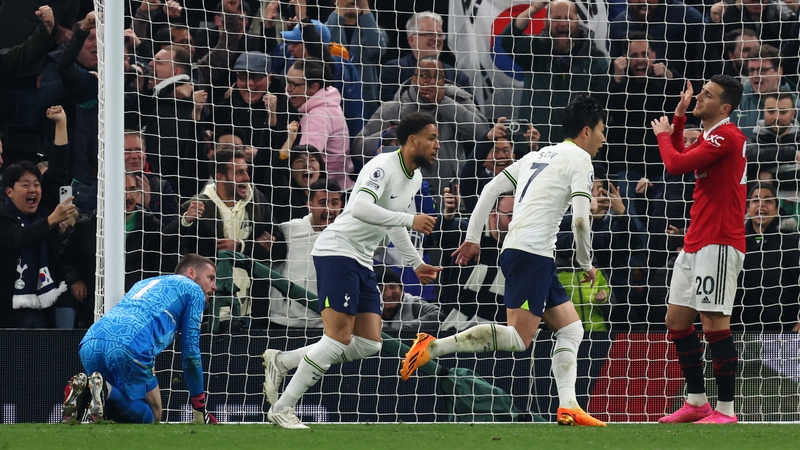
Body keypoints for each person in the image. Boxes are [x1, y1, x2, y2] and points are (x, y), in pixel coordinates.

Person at [401, 94, 608, 427]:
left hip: (527, 252)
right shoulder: (581, 160)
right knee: (519, 338)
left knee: (571, 329)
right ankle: (432, 347)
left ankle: (569, 405)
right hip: (532, 254)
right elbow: (581, 221)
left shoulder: (537, 155)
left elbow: (488, 190)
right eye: (602, 130)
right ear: (586, 131)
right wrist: (586, 264)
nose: (603, 137)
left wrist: (471, 238)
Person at [262, 112, 442, 429]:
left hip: (361, 258)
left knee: (369, 343)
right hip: (337, 250)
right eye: (431, 138)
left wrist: (417, 263)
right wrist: (409, 220)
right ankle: (283, 407)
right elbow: (359, 207)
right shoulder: (382, 166)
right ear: (412, 141)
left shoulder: (413, 179)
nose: (437, 145)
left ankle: (284, 361)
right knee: (337, 338)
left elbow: (391, 223)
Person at [650, 74, 747, 424]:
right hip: (696, 241)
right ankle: (696, 402)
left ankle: (726, 410)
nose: (698, 99)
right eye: (700, 93)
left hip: (719, 242)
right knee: (677, 321)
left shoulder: (727, 135)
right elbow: (680, 157)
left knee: (714, 325)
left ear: (724, 107)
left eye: (707, 95)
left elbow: (674, 163)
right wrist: (678, 118)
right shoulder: (710, 135)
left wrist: (663, 134)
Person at [62, 254, 219, 424]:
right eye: (210, 278)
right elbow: (191, 354)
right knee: (153, 414)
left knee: (113, 403)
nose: (214, 287)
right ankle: (105, 390)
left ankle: (87, 388)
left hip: (91, 341)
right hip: (130, 343)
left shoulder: (143, 283)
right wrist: (199, 408)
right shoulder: (193, 290)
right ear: (191, 273)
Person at [734, 184, 800, 333]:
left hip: (783, 331)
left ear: (777, 210)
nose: (761, 204)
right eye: (755, 200)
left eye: (768, 200)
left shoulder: (792, 241)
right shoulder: (735, 242)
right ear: (747, 210)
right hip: (738, 328)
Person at [376, 266, 444, 334]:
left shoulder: (412, 303)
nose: (388, 294)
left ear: (401, 289)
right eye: (381, 289)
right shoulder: (368, 309)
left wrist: (407, 328)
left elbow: (438, 314)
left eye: (393, 287)